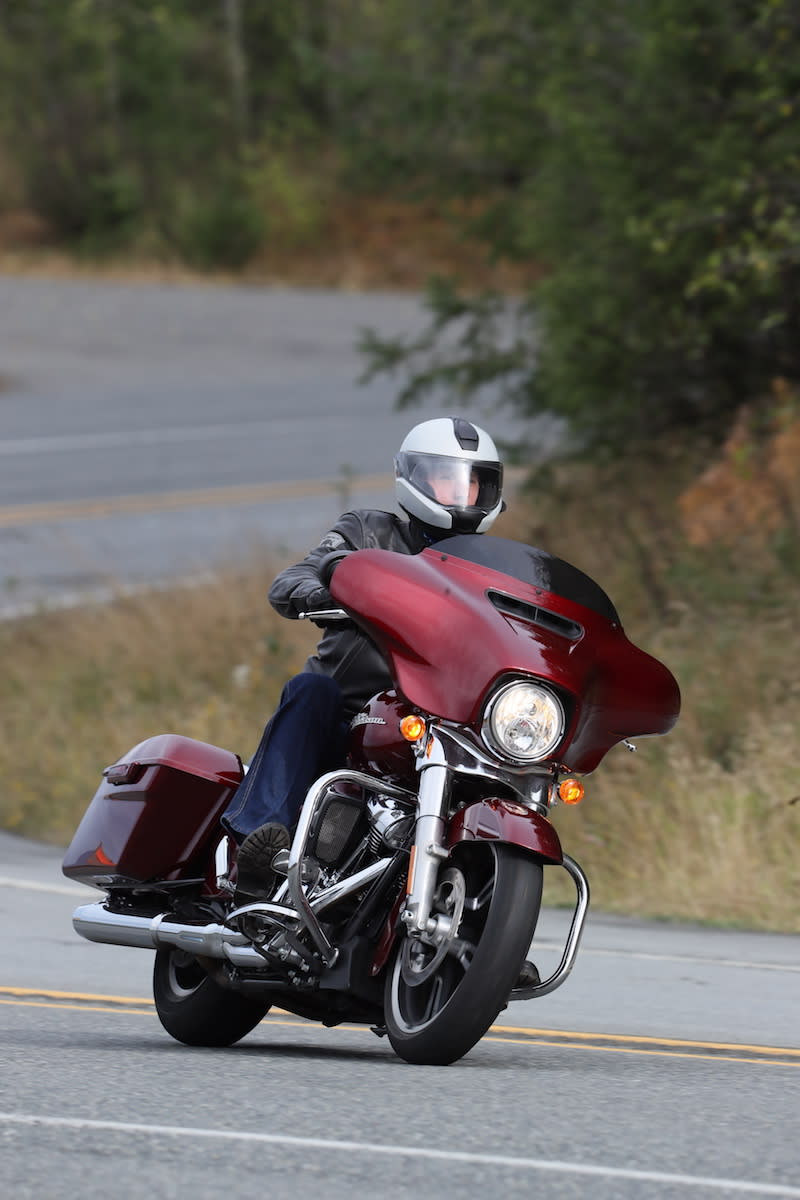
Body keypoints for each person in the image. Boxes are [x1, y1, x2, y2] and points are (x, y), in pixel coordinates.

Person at [222, 416, 505, 902]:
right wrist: (317, 592)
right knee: (312, 690)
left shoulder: (496, 569)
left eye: (474, 480)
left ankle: (479, 925)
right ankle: (258, 844)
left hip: (437, 722)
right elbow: (296, 576)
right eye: (448, 478)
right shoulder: (368, 531)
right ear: (415, 479)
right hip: (351, 715)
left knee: (504, 764)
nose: (463, 492)